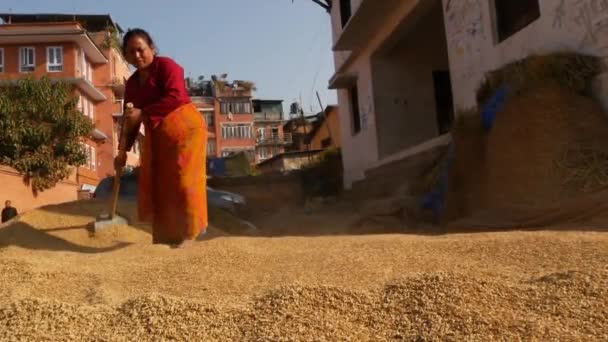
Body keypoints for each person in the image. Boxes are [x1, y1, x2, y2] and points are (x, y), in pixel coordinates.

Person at [115, 28, 208, 248]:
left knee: (184, 180)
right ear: (126, 56)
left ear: (152, 49)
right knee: (160, 184)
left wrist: (144, 112)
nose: (137, 56)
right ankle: (167, 237)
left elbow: (175, 97)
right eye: (131, 52)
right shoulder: (132, 84)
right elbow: (130, 119)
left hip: (186, 130)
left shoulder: (167, 66)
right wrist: (122, 151)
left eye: (141, 50)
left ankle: (190, 233)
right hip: (159, 136)